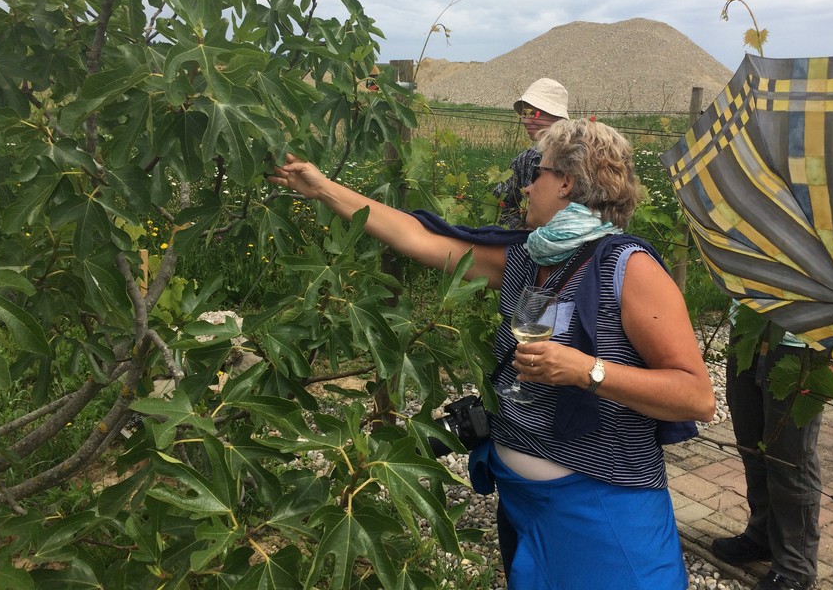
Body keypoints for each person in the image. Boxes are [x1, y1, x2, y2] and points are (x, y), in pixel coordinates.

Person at [269, 118, 716, 589]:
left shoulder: (628, 268)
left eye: (537, 175)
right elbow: (418, 238)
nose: (526, 188)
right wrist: (322, 189)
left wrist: (589, 371)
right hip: (521, 498)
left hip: (600, 507)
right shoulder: (530, 257)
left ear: (566, 182)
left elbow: (697, 397)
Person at [711, 312, 822, 590]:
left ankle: (795, 565)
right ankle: (762, 535)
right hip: (746, 325)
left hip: (801, 339)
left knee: (790, 457)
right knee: (750, 443)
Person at [493, 78, 569, 228]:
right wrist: (522, 232)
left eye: (534, 114)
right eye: (524, 115)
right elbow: (503, 204)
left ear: (557, 117)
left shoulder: (581, 161)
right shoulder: (525, 160)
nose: (526, 122)